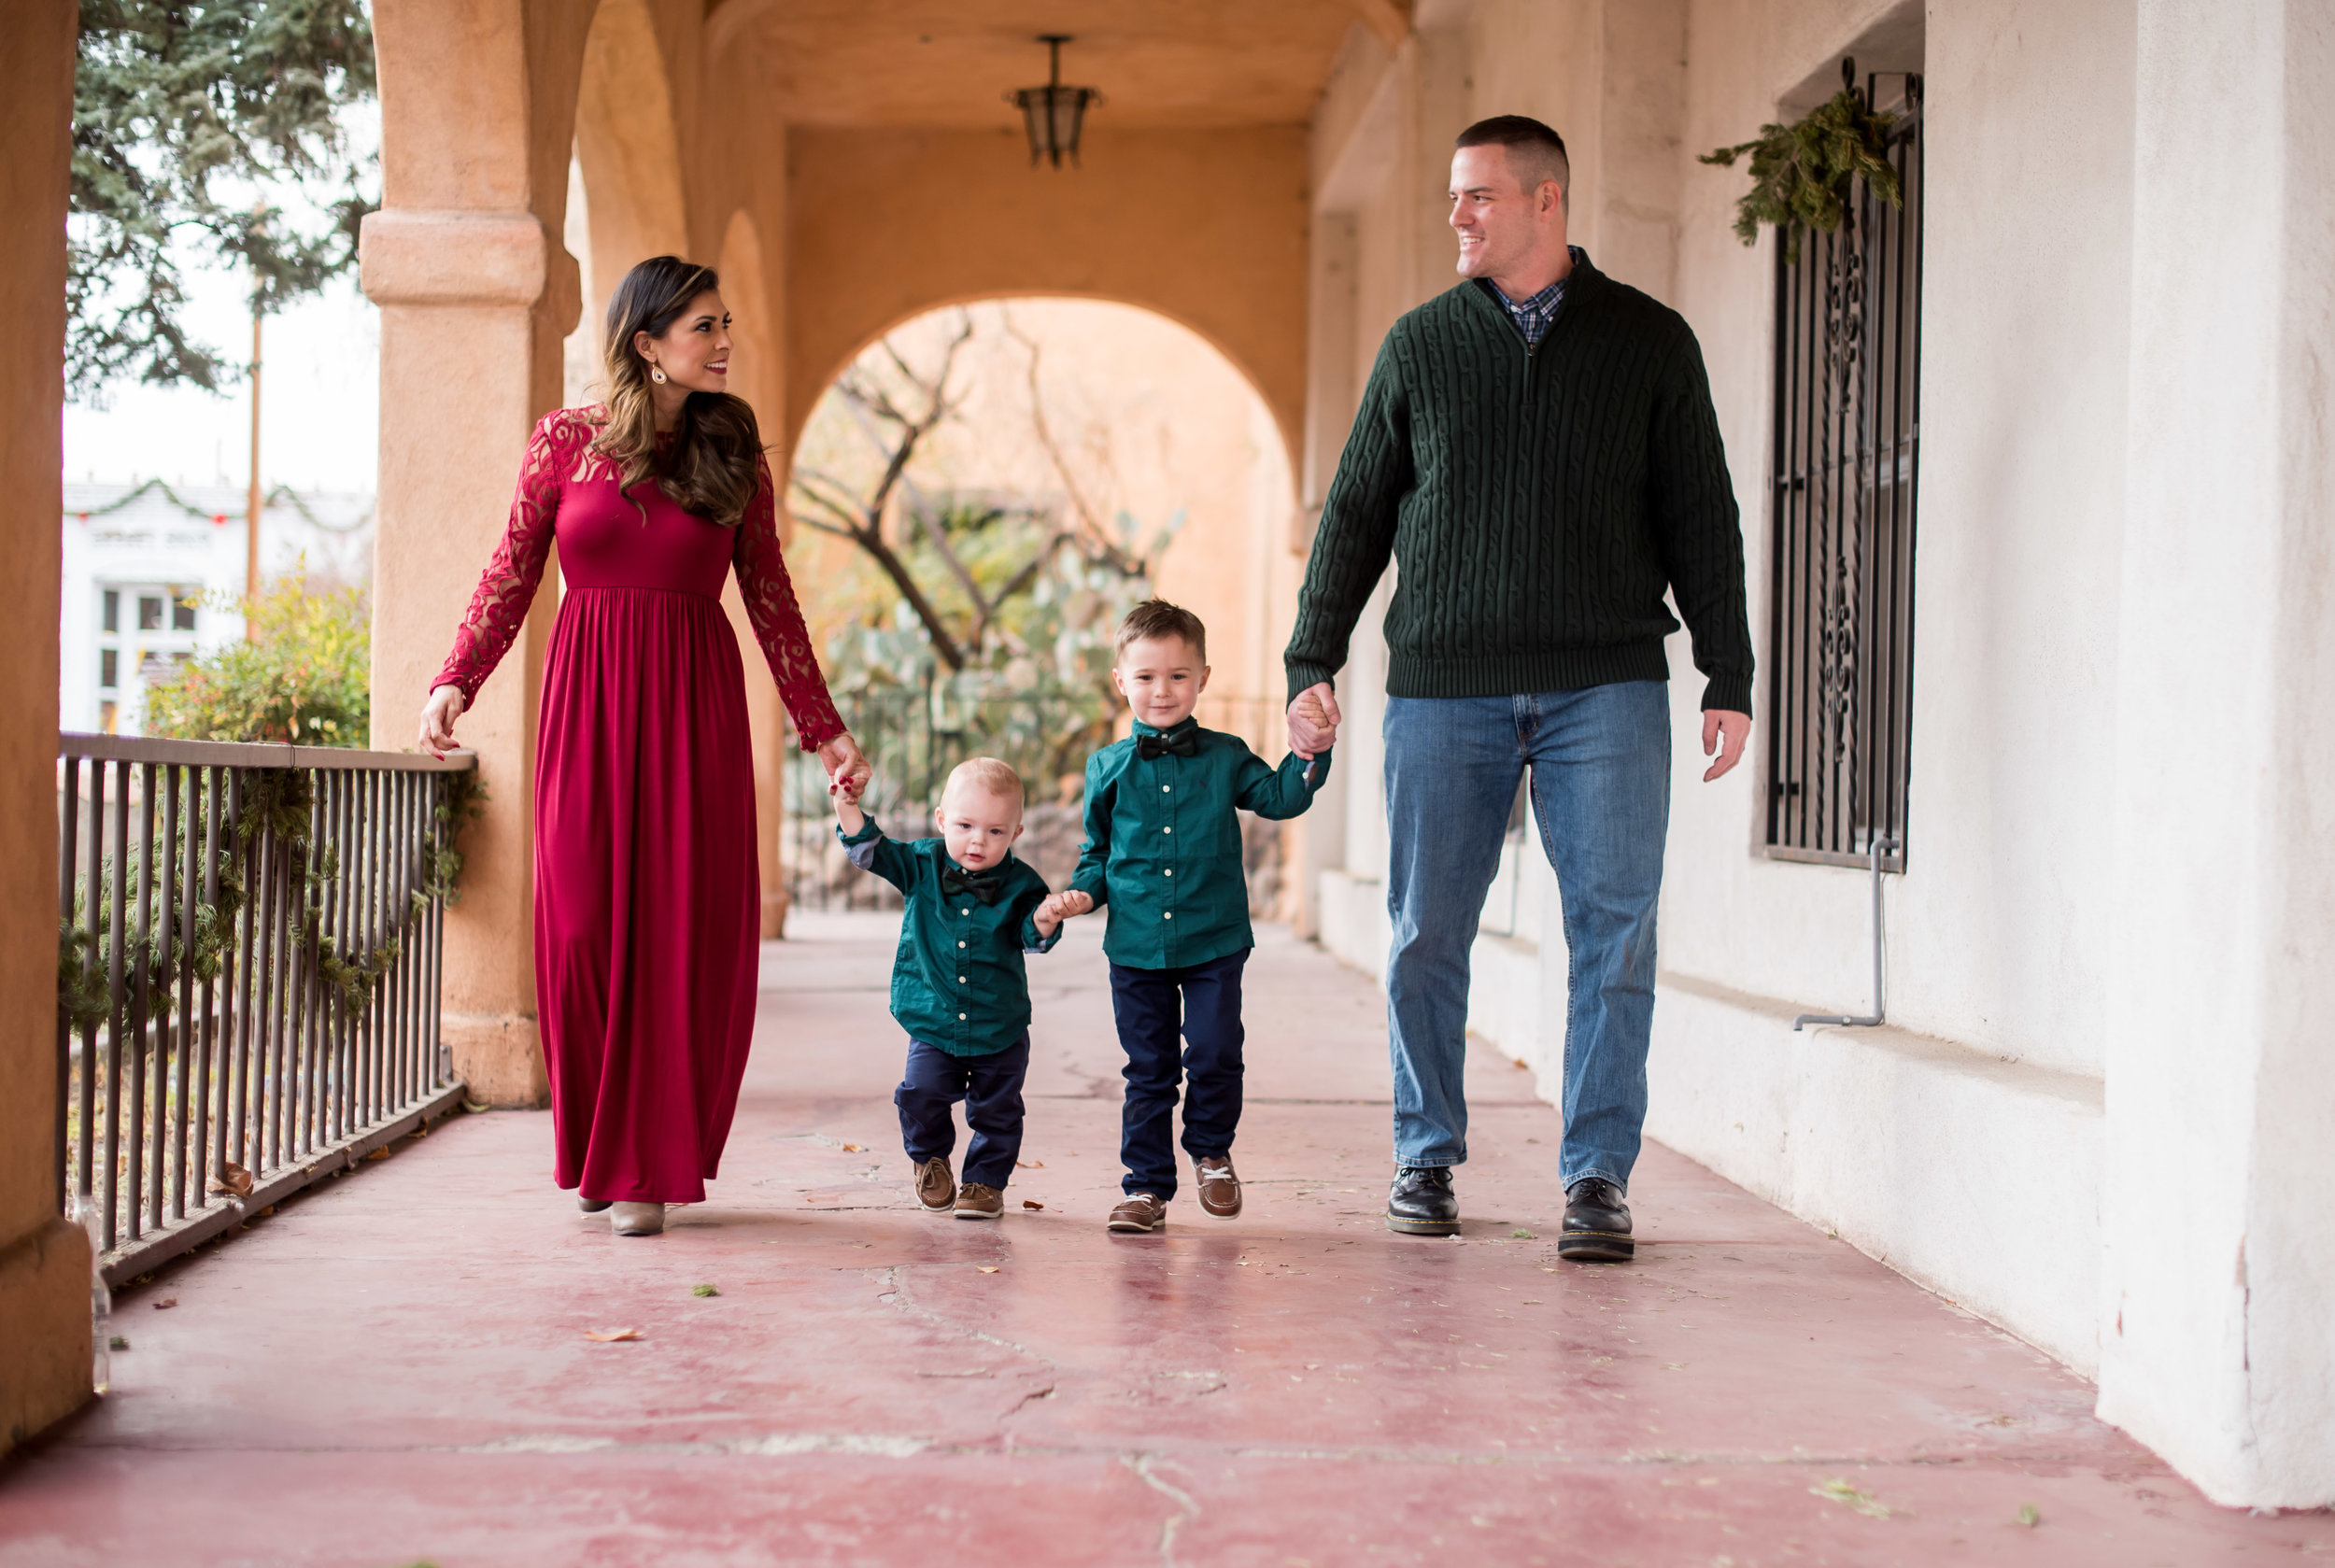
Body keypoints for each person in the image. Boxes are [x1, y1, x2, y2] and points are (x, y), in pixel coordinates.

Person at [1282, 116, 1753, 1259]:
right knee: (1426, 932)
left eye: (1480, 197)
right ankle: (1424, 1152)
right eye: (1455, 195)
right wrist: (1313, 657)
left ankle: (1596, 1174)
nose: (1458, 215)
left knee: (1614, 933)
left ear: (1547, 202)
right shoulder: (1418, 345)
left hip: (1607, 686)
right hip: (1446, 686)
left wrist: (1726, 668)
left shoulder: (1649, 341)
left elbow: (1701, 510)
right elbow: (1355, 510)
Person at [419, 255, 870, 1238]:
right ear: (647, 342)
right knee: (579, 928)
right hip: (585, 707)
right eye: (705, 325)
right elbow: (511, 568)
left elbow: (770, 596)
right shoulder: (563, 443)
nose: (723, 341)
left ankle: (644, 1169)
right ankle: (594, 1145)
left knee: (673, 934)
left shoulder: (730, 451)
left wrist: (821, 727)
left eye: (725, 324)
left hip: (694, 709)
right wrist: (457, 674)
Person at [1073, 600, 1332, 1234]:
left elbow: (1278, 797)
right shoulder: (1105, 768)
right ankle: (1146, 1188)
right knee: (1148, 1069)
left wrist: (1307, 756)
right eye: (1146, 676)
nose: (1162, 690)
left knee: (1215, 1051)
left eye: (1178, 676)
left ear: (1203, 677)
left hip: (1214, 937)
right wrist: (1080, 896)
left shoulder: (1225, 755)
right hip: (1135, 944)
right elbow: (1095, 853)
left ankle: (1212, 1152)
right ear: (1121, 681)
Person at [833, 756, 1091, 1219]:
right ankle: (930, 1158)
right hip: (933, 1016)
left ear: (1015, 834)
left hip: (999, 1023)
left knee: (997, 1110)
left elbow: (1031, 936)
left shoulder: (1023, 882)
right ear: (941, 820)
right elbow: (871, 848)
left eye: (995, 831)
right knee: (922, 1092)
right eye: (966, 825)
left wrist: (1048, 916)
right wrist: (846, 804)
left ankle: (984, 1183)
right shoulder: (922, 863)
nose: (978, 840)